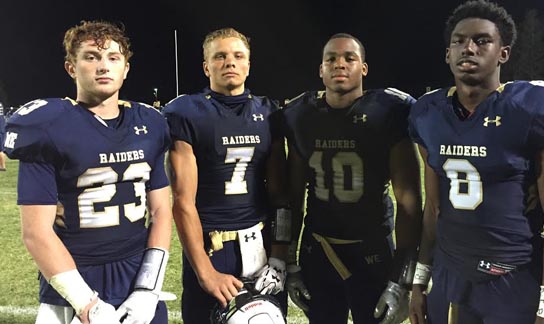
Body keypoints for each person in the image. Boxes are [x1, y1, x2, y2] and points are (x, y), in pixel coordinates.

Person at [408, 1, 544, 323]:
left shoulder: (531, 110)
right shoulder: (428, 114)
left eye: (482, 40)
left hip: (512, 279)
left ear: (504, 53)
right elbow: (434, 207)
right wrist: (419, 280)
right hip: (450, 275)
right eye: (458, 41)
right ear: (447, 54)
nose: (468, 48)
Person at [3, 20, 173, 324]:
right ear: (71, 67)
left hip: (137, 272)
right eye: (91, 57)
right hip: (73, 274)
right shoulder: (47, 125)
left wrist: (148, 287)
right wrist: (87, 304)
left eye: (113, 57)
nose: (103, 66)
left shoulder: (149, 123)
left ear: (126, 69)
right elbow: (36, 232)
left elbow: (161, 212)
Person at [282, 33, 423, 324]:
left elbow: (409, 204)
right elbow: (292, 196)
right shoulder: (301, 114)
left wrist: (401, 280)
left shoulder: (388, 113)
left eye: (350, 58)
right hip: (318, 251)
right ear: (321, 70)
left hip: (373, 254)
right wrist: (290, 262)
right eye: (330, 59)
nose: (339, 64)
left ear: (364, 68)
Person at [163, 27, 290, 324]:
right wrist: (205, 271)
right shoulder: (187, 113)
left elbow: (280, 195)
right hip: (211, 246)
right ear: (207, 66)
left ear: (248, 65)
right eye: (219, 56)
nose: (229, 62)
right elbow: (183, 202)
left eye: (237, 56)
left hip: (260, 244)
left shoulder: (269, 113)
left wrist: (280, 257)